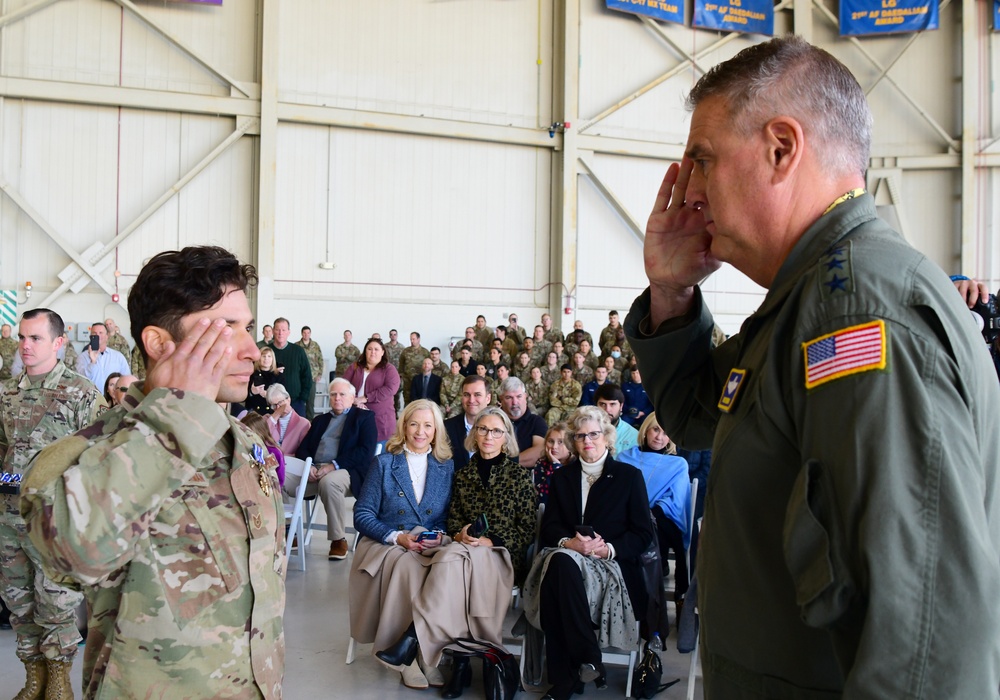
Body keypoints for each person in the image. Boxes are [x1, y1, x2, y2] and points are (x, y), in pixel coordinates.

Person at [623, 37, 1000, 698]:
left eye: (704, 160)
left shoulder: (856, 313)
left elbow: (923, 641)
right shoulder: (812, 299)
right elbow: (692, 414)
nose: (692, 189)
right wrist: (673, 293)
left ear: (780, 148)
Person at [21, 245, 285, 698]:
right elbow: (73, 553)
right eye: (225, 328)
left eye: (248, 328)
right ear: (160, 344)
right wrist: (175, 420)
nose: (250, 351)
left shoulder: (245, 444)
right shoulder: (87, 454)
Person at [374, 407, 535, 699]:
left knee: (452, 559)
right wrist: (461, 533)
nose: (488, 436)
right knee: (455, 558)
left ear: (506, 437)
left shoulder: (519, 476)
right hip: (464, 551)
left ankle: (414, 639)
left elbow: (528, 529)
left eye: (496, 431)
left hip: (501, 555)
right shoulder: (462, 475)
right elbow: (451, 520)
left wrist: (492, 539)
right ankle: (461, 663)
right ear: (474, 434)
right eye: (483, 429)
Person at [1, 309, 104, 698]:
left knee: (56, 603)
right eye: (22, 338)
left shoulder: (82, 393)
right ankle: (35, 679)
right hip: (10, 518)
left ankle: (60, 681)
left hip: (56, 519)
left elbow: (98, 456)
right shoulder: (8, 393)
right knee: (19, 603)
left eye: (36, 338)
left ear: (59, 343)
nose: (25, 346)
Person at [522, 406, 653, 700]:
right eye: (580, 436)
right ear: (573, 441)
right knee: (560, 562)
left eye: (593, 434)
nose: (587, 441)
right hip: (569, 559)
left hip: (611, 567)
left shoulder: (628, 477)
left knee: (556, 579)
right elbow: (551, 527)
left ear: (606, 436)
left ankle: (564, 681)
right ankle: (588, 656)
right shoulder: (562, 478)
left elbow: (644, 534)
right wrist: (570, 543)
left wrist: (608, 549)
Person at [350, 399, 454, 689]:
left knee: (448, 568)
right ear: (404, 426)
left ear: (436, 431)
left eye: (428, 425)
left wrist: (436, 536)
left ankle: (423, 652)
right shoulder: (384, 463)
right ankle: (408, 657)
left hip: (427, 543)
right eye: (414, 424)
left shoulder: (446, 467)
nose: (420, 431)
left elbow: (445, 517)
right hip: (385, 542)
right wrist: (397, 537)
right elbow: (362, 514)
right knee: (410, 566)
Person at [289, 378, 377, 561]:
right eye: (333, 394)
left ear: (352, 397)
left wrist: (333, 466)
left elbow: (365, 451)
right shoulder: (320, 420)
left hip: (345, 471)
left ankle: (338, 539)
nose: (337, 398)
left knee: (330, 482)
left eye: (342, 394)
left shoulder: (364, 418)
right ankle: (290, 532)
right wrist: (309, 465)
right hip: (314, 472)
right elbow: (303, 448)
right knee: (278, 476)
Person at [616, 413, 692, 614]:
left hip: (660, 518)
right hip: (627, 516)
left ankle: (676, 598)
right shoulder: (625, 457)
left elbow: (674, 500)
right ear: (646, 430)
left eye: (666, 433)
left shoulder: (678, 464)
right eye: (656, 429)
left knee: (655, 530)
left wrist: (647, 513)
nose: (659, 437)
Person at [343, 337, 402, 443]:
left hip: (380, 419)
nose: (373, 352)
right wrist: (354, 401)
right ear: (365, 351)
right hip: (355, 414)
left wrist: (365, 398)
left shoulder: (389, 369)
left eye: (376, 349)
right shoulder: (355, 367)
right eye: (370, 349)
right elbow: (344, 386)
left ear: (382, 352)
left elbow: (390, 389)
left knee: (378, 451)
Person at [443, 375, 492, 471]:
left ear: (488, 398)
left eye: (477, 394)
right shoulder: (446, 428)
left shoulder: (501, 428)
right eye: (466, 395)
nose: (471, 400)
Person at [498, 377, 546, 468]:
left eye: (519, 396)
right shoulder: (493, 421)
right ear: (501, 399)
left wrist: (505, 464)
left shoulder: (537, 422)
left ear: (525, 396)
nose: (515, 402)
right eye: (509, 397)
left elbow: (540, 451)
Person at [268, 317, 313, 416]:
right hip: (272, 405)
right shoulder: (266, 352)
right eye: (277, 330)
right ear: (273, 331)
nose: (280, 333)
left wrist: (302, 399)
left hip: (296, 403)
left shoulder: (298, 351)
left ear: (289, 332)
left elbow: (307, 377)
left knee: (299, 431)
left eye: (283, 330)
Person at [75, 321, 130, 392]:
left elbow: (127, 379)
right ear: (90, 337)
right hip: (91, 399)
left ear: (107, 336)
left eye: (101, 333)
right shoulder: (82, 357)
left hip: (113, 400)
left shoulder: (118, 357)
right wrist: (92, 363)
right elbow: (80, 381)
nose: (98, 335)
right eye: (94, 333)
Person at [266, 382, 310, 457]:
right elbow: (262, 438)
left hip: (293, 464)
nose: (277, 408)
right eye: (274, 405)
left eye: (280, 402)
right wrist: (275, 416)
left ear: (288, 399)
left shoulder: (303, 424)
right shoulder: (267, 420)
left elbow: (304, 452)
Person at [242, 411, 286, 486]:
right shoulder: (244, 447)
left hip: (270, 491)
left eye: (249, 435)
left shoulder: (272, 453)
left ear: (260, 433)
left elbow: (278, 480)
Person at [532, 422, 570, 506]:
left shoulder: (576, 464)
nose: (554, 446)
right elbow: (542, 499)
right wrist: (555, 466)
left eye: (560, 442)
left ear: (570, 445)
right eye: (551, 441)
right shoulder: (541, 464)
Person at [594, 383, 638, 454]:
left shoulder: (633, 436)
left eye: (612, 404)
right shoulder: (586, 433)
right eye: (602, 404)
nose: (607, 410)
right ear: (596, 406)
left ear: (621, 406)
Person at [297, 326, 324, 418]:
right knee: (298, 401)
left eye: (308, 333)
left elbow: (320, 360)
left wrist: (319, 374)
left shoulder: (315, 345)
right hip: (299, 377)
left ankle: (310, 422)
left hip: (312, 377)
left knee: (310, 401)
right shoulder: (296, 346)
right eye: (304, 333)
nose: (306, 335)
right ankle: (299, 421)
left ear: (310, 333)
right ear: (301, 333)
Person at [246, 345, 280, 416]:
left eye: (269, 356)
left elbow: (283, 396)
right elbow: (242, 396)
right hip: (253, 413)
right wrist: (251, 392)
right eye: (264, 356)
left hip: (272, 413)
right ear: (259, 358)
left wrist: (269, 395)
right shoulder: (251, 374)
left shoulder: (278, 376)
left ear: (273, 359)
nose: (266, 359)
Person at [399, 332, 431, 405]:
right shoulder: (405, 351)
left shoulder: (425, 352)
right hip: (408, 381)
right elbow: (401, 365)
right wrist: (402, 376)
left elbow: (429, 365)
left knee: (419, 401)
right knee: (407, 401)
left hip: (420, 381)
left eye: (414, 339)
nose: (412, 341)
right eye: (411, 339)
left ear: (418, 339)